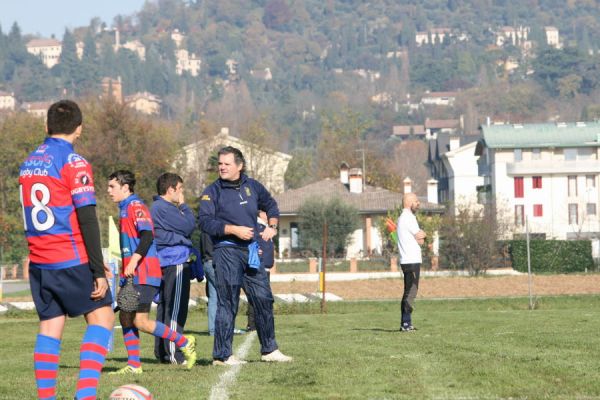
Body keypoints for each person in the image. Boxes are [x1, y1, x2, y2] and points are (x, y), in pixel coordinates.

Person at [19, 100, 115, 400]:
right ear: (79, 129)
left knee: (50, 326)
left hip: (40, 261)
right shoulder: (74, 163)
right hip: (70, 257)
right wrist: (97, 269)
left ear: (46, 127)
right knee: (103, 319)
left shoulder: (28, 163)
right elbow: (87, 217)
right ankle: (84, 396)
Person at [198, 146, 292, 365]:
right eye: (220, 163)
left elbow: (270, 204)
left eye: (226, 163)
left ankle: (269, 350)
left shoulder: (253, 186)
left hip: (250, 252)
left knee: (263, 299)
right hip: (226, 251)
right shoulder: (211, 191)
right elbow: (204, 222)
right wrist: (232, 229)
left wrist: (273, 226)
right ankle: (222, 355)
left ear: (239, 166)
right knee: (227, 302)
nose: (221, 167)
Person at [107, 170, 197, 373]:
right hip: (132, 275)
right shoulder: (124, 208)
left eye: (112, 186)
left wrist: (134, 261)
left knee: (141, 321)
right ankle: (134, 365)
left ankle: (184, 341)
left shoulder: (136, 206)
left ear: (125, 187)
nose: (108, 191)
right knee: (126, 317)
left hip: (145, 273)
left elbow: (147, 235)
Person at [150, 173, 196, 365]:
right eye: (180, 189)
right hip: (174, 261)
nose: (182, 193)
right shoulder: (164, 207)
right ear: (171, 190)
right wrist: (184, 206)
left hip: (165, 262)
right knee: (175, 309)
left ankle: (162, 353)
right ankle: (173, 353)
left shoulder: (157, 207)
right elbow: (188, 225)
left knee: (165, 307)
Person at [396, 192, 427, 332]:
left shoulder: (404, 218)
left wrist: (420, 236)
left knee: (410, 290)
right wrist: (424, 234)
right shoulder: (408, 218)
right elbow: (420, 238)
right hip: (411, 260)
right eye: (416, 201)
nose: (418, 203)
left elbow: (419, 239)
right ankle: (406, 323)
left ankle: (407, 323)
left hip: (408, 259)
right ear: (409, 202)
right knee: (411, 291)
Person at [246, 211, 275, 332]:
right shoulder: (256, 225)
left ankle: (261, 323)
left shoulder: (264, 226)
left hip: (265, 267)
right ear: (261, 213)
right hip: (258, 266)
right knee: (256, 296)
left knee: (263, 296)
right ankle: (252, 324)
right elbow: (250, 241)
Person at [199, 229, 217, 336]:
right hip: (215, 263)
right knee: (224, 296)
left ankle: (213, 330)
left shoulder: (203, 231)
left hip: (206, 262)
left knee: (213, 298)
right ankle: (225, 327)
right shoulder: (215, 229)